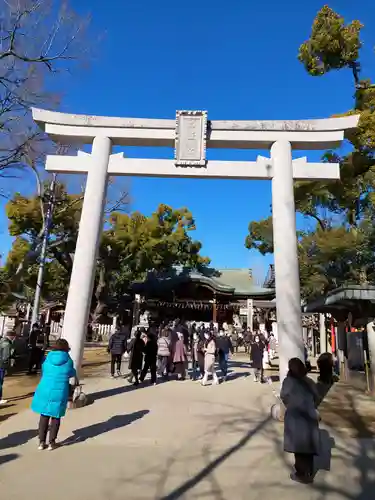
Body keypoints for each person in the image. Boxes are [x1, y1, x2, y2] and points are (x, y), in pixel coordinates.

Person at [280, 357, 320, 484]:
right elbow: (317, 396)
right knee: (308, 444)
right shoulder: (308, 381)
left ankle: (302, 474)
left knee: (299, 446)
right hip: (310, 414)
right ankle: (309, 471)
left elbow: (284, 395)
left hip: (295, 415)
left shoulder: (289, 381)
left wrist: (290, 404)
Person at [31, 339, 76, 450]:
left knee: (44, 415)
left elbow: (44, 370)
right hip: (60, 391)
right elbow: (72, 374)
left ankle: (41, 442)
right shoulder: (68, 361)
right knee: (56, 416)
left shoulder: (47, 358)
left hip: (45, 388)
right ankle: (52, 442)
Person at [0, 331, 15, 405]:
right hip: (1, 365)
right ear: (11, 336)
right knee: (0, 382)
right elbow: (5, 357)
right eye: (14, 336)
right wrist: (6, 368)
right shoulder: (7, 344)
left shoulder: (1, 341)